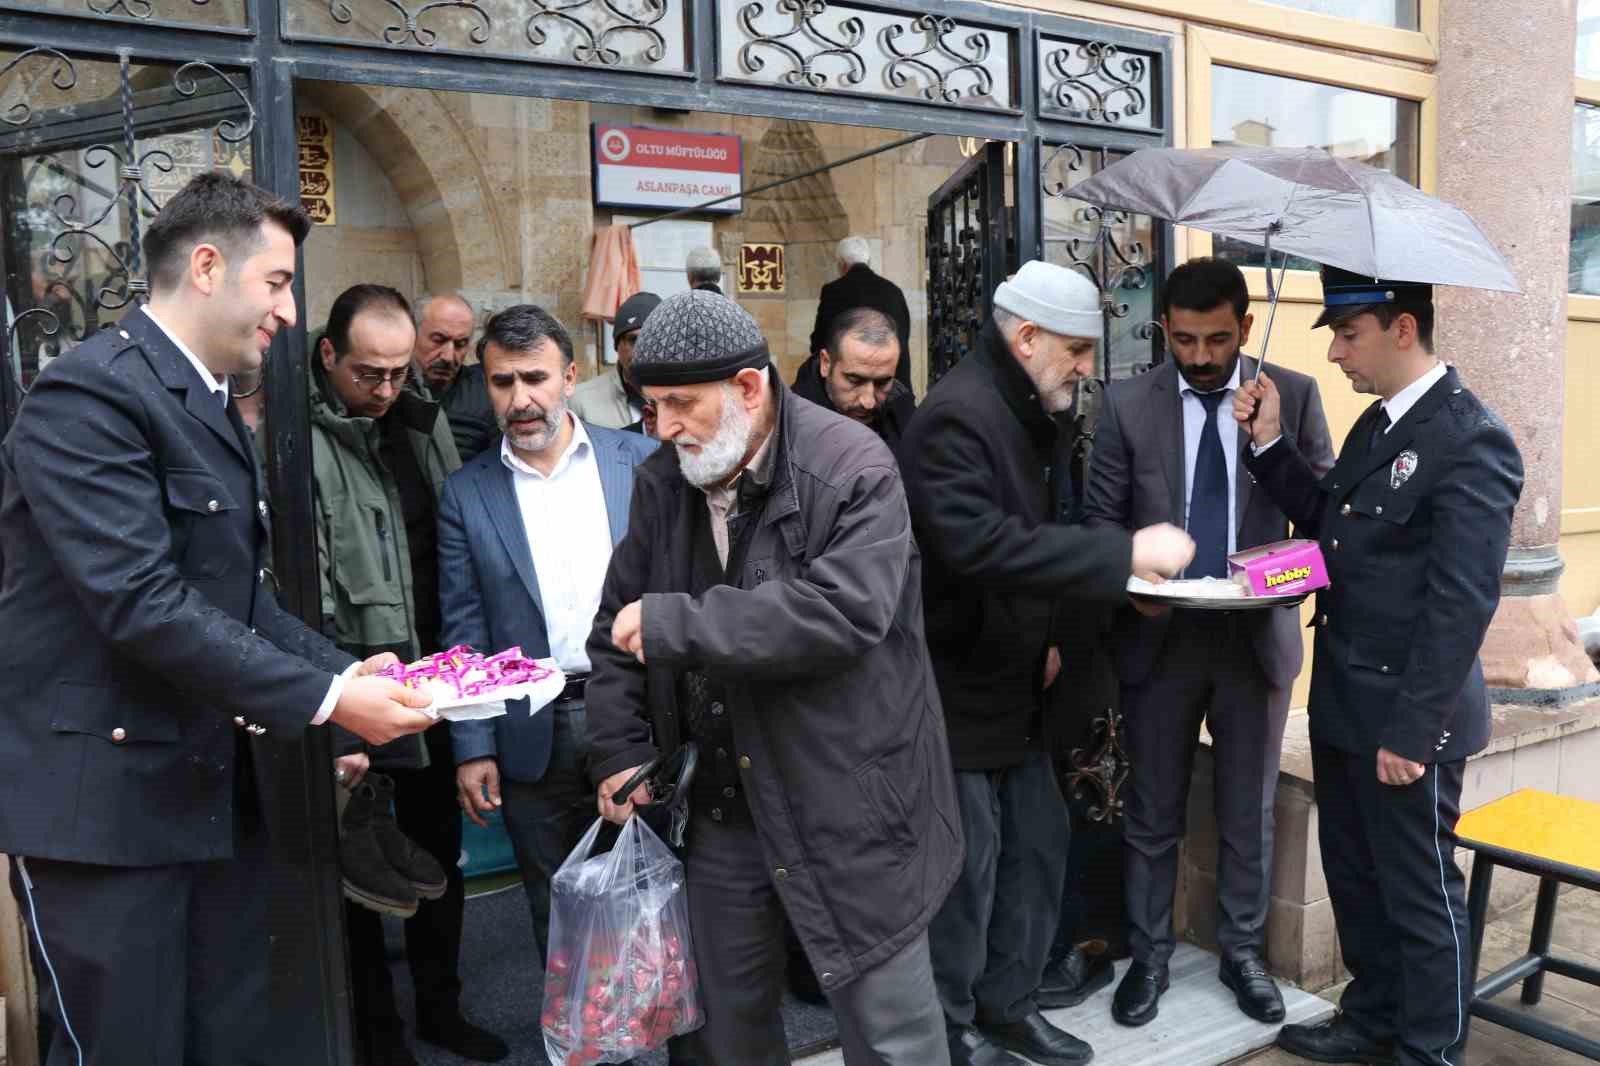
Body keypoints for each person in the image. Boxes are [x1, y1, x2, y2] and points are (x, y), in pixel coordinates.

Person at [0, 171, 437, 1066]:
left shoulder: (200, 401)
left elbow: (237, 599)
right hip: (107, 820)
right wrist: (327, 699)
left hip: (202, 797)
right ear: (207, 265)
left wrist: (349, 672)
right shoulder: (89, 397)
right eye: (276, 282)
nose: (287, 310)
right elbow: (141, 602)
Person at [586, 289, 960, 1066]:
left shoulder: (854, 466)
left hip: (852, 806)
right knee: (728, 1033)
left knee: (891, 1036)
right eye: (651, 406)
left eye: (681, 405)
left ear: (749, 388)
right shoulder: (666, 477)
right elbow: (615, 628)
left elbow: (842, 614)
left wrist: (677, 625)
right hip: (723, 806)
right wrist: (620, 748)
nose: (663, 427)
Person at [899, 259, 1196, 1066]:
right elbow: (980, 545)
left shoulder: (1033, 405)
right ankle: (951, 1024)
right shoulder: (954, 418)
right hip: (960, 688)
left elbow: (1049, 526)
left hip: (1026, 678)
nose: (1087, 369)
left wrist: (1087, 610)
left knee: (1037, 848)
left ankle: (1008, 1004)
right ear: (1025, 337)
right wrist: (1121, 551)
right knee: (966, 873)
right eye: (1077, 350)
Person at [1234, 266, 1523, 1066]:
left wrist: (1413, 729)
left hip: (1407, 717)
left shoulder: (1471, 438)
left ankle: (1428, 1050)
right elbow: (1331, 521)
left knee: (1421, 895)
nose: (1334, 353)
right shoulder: (1379, 425)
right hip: (1345, 701)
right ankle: (1372, 1018)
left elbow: (1460, 602)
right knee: (1358, 879)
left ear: (1403, 328)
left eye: (1348, 333)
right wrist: (1268, 446)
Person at [1082, 258, 1335, 1029]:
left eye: (1216, 339)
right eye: (1184, 339)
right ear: (1163, 327)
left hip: (1252, 638)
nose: (1199, 356)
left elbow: (1324, 518)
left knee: (1247, 810)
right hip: (1160, 639)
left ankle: (1243, 954)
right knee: (1153, 810)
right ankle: (1150, 959)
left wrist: (1268, 444)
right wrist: (1138, 586)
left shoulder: (1291, 394)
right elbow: (1100, 528)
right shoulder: (1127, 405)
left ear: (1245, 329)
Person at [308, 284, 507, 1065]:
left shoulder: (423, 420)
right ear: (329, 356)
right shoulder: (304, 442)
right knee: (359, 876)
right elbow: (309, 586)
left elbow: (452, 548)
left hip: (434, 683)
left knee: (437, 859)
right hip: (357, 690)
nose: (387, 389)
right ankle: (377, 1034)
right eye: (369, 374)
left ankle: (440, 1007)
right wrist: (337, 704)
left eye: (399, 373)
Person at [442, 304, 656, 964]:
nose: (521, 398)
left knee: (662, 896)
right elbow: (464, 629)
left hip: (639, 714)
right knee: (562, 916)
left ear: (569, 375)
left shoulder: (642, 462)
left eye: (534, 378)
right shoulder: (466, 493)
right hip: (533, 731)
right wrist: (472, 745)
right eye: (502, 382)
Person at [791, 306, 915, 457]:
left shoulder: (904, 415)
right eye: (854, 381)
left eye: (882, 383)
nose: (868, 402)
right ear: (826, 364)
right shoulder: (790, 428)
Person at [808, 236, 912, 386]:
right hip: (889, 383)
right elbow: (903, 338)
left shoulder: (833, 291)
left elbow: (820, 341)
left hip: (848, 384)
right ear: (868, 261)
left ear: (842, 264)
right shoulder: (893, 291)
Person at [412, 291, 497, 462]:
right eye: (438, 340)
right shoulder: (387, 391)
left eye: (460, 344)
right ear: (411, 334)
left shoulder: (486, 392)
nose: (449, 357)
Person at [571, 289, 659, 431]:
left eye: (652, 339)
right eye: (633, 340)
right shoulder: (581, 402)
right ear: (617, 345)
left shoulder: (685, 398)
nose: (643, 349)